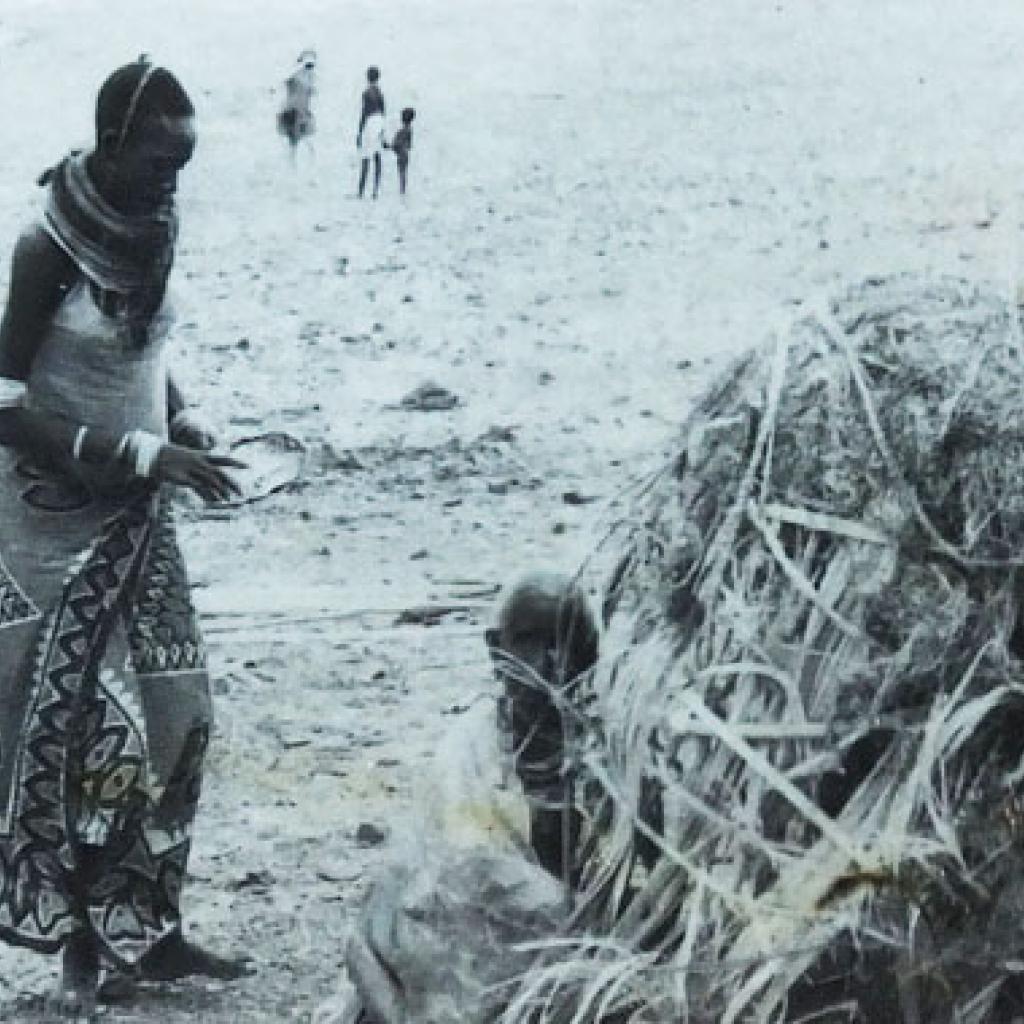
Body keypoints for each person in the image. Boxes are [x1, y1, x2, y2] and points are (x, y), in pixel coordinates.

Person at [0, 58, 250, 1018]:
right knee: (81, 733)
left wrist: (180, 422)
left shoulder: (150, 226)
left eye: (184, 166)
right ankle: (77, 949)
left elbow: (150, 346)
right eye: (158, 163)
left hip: (141, 510)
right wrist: (142, 452)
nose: (172, 183)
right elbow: (4, 404)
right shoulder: (43, 250)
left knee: (181, 719)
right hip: (49, 526)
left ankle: (153, 928)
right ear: (110, 147)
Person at [486, 572, 599, 885]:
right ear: (497, 650)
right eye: (529, 641)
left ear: (591, 655)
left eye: (568, 642)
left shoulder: (605, 757)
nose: (552, 663)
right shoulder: (475, 753)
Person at [277, 48, 317, 162]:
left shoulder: (309, 78)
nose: (310, 68)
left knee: (298, 144)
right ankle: (293, 165)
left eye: (311, 66)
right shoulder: (296, 77)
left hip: (300, 114)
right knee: (296, 143)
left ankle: (294, 164)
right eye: (308, 65)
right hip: (294, 112)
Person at [356, 66, 385, 199]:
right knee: (377, 156)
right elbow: (383, 111)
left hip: (370, 122)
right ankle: (375, 191)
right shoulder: (380, 92)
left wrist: (359, 131)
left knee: (366, 157)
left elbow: (364, 113)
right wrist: (383, 130)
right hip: (379, 121)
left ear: (368, 77)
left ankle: (361, 191)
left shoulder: (367, 93)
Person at [385, 107, 415, 196]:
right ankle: (402, 190)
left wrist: (388, 146)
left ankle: (402, 191)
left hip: (401, 154)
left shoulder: (403, 131)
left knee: (402, 173)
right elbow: (408, 145)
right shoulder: (409, 130)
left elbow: (397, 144)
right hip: (405, 153)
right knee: (403, 173)